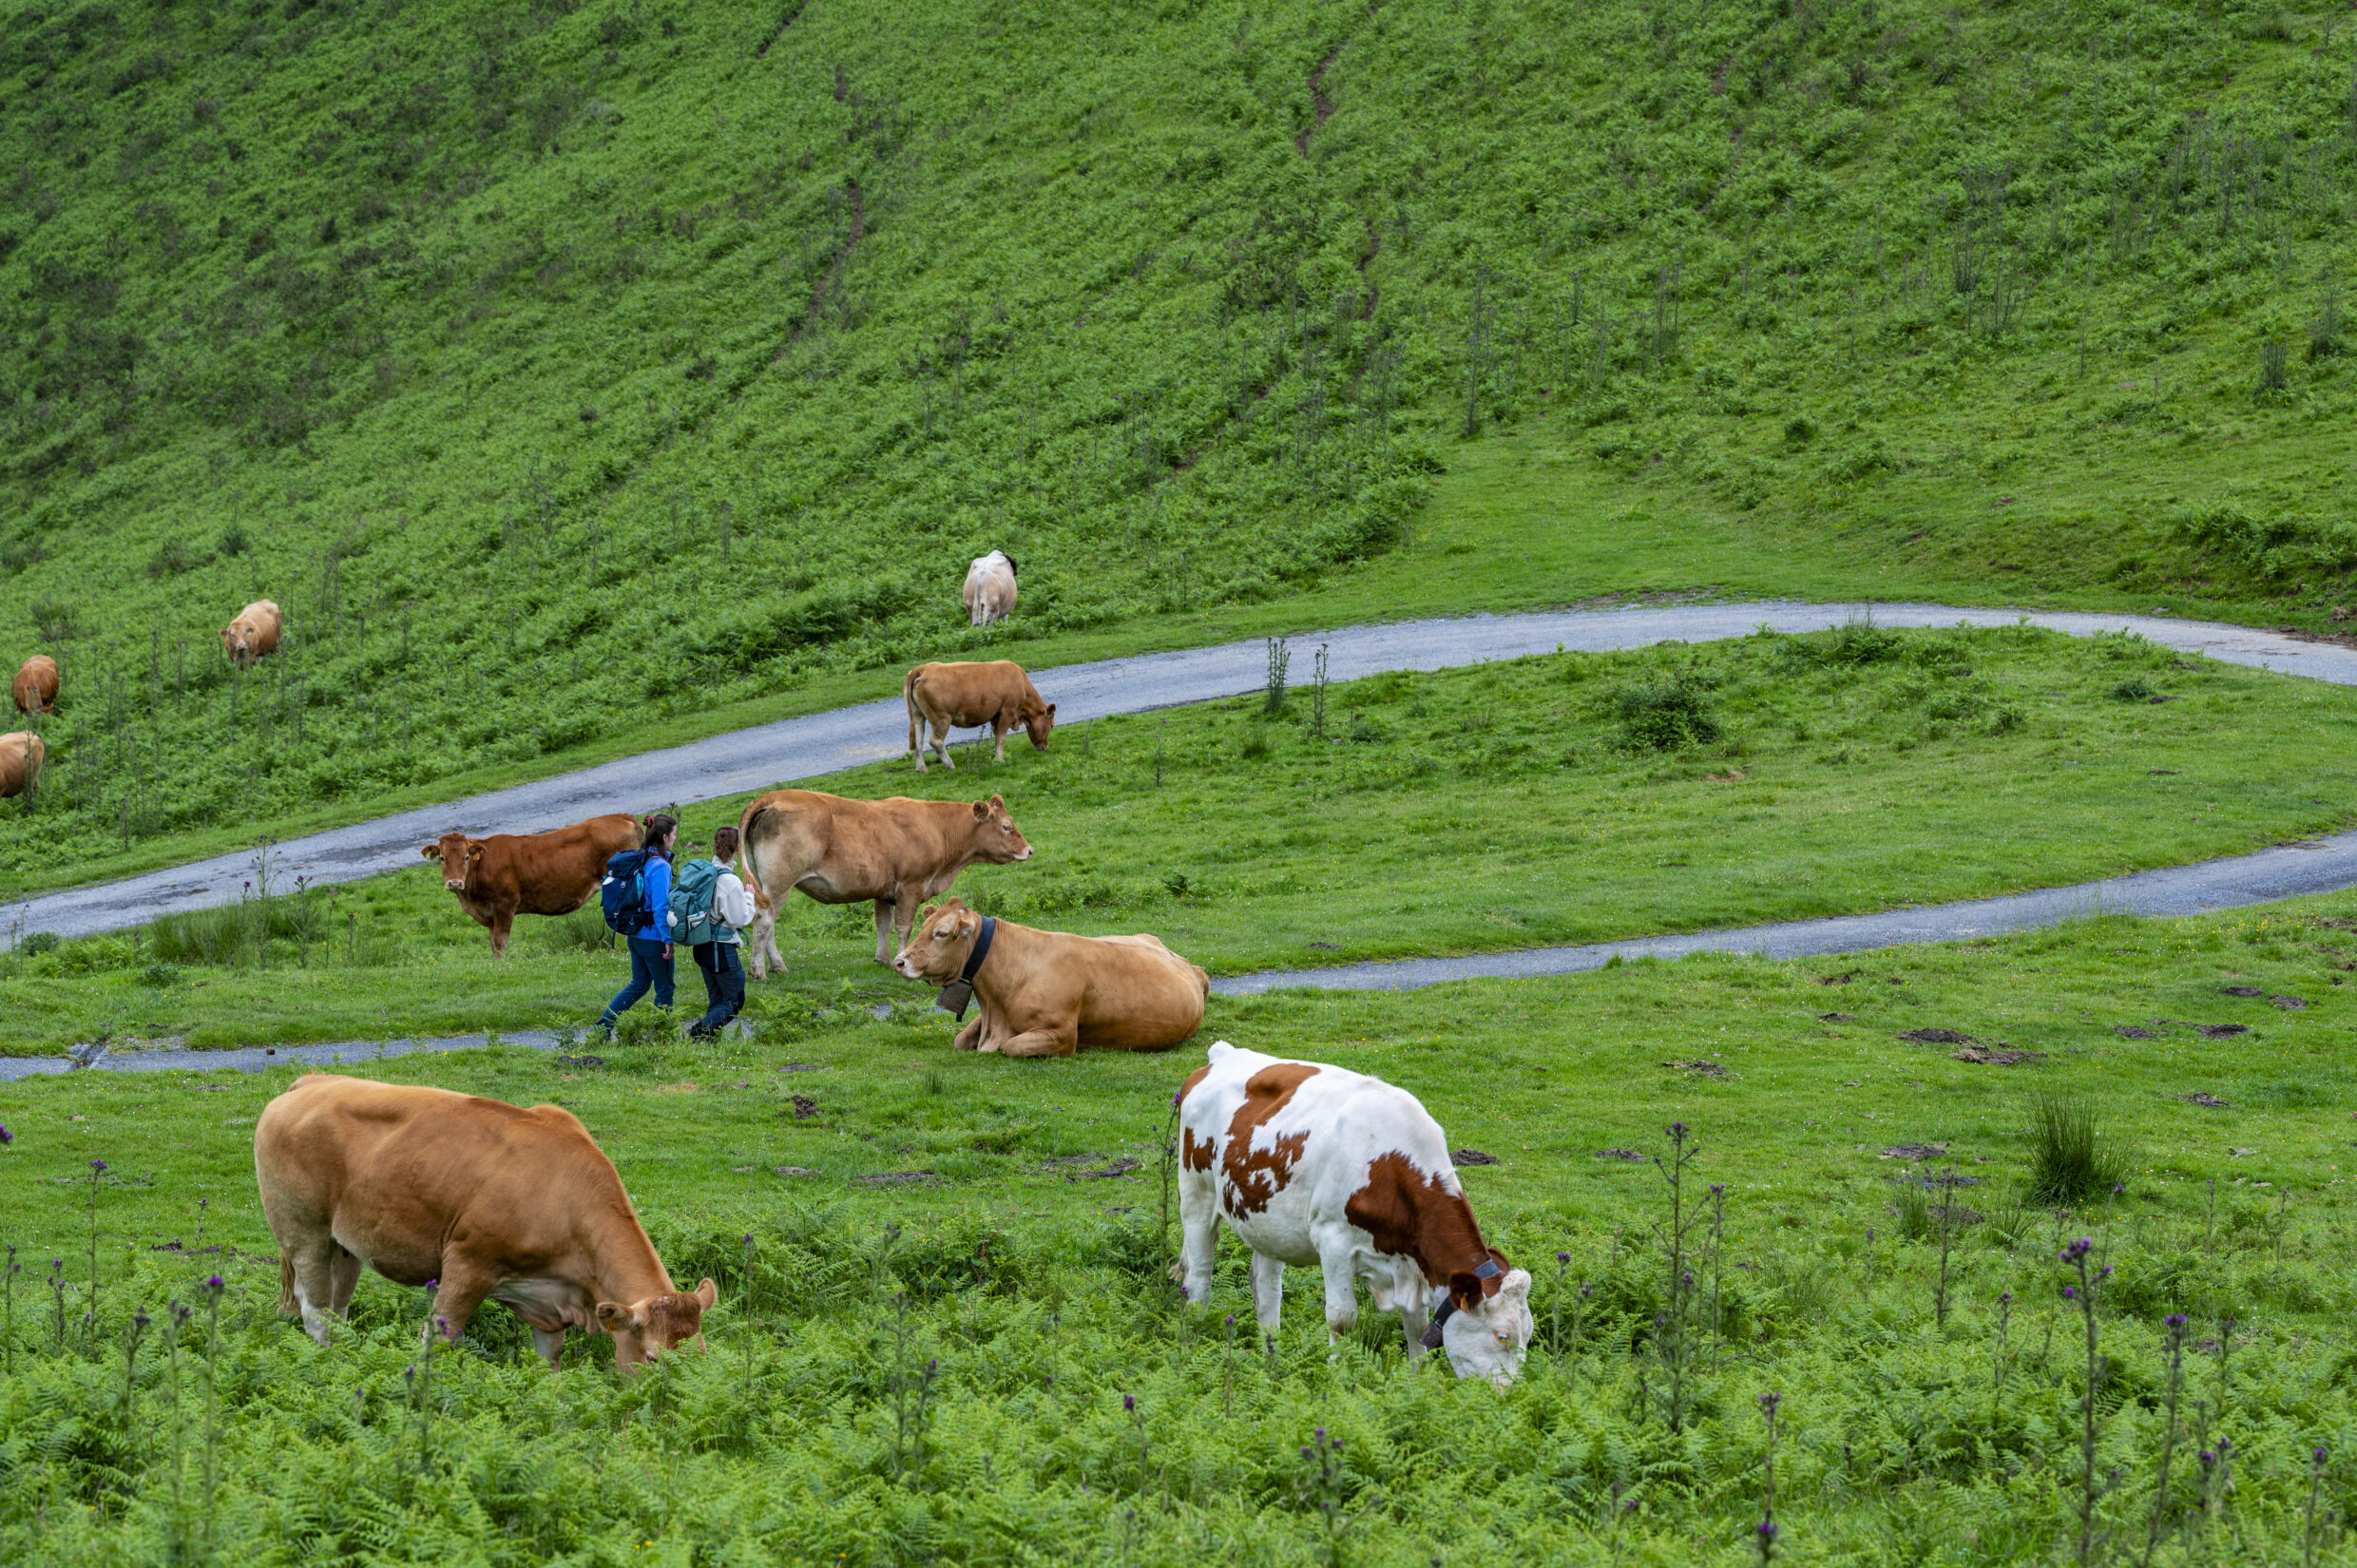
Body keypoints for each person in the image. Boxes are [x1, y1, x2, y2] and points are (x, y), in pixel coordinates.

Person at [597, 813, 677, 1034]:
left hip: (635, 937)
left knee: (639, 985)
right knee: (665, 989)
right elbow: (660, 908)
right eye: (673, 834)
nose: (674, 838)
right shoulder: (660, 866)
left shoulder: (640, 858)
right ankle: (662, 1035)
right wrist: (668, 940)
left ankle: (602, 1028)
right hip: (653, 939)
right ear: (664, 837)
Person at [685, 825, 756, 1040]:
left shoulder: (705, 873)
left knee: (717, 1000)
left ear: (715, 846)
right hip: (721, 950)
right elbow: (739, 918)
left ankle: (706, 1040)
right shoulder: (730, 881)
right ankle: (696, 1034)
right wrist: (749, 895)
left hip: (702, 946)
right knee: (734, 1001)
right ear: (737, 848)